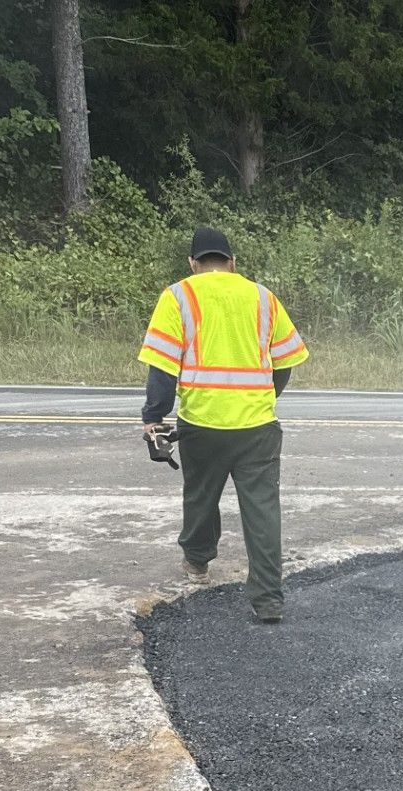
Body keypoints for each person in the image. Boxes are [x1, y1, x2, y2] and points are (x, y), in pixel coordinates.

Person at [139, 226, 309, 624]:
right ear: (232, 263)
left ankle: (198, 563)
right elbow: (284, 363)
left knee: (201, 496)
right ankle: (268, 600)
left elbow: (161, 367)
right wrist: (263, 395)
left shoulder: (178, 295)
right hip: (258, 427)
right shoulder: (262, 297)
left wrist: (154, 418)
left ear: (193, 264)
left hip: (202, 422)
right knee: (263, 511)